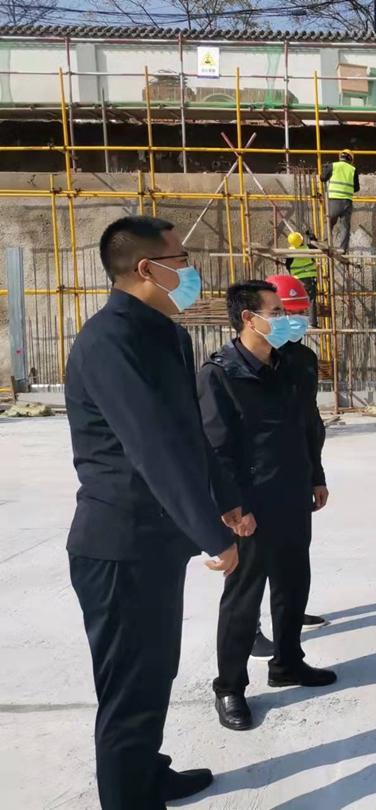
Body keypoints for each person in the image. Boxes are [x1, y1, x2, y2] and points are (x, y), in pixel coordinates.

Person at [65, 215, 245, 810]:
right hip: (119, 547)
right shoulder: (108, 342)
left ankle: (147, 775)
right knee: (128, 693)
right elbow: (152, 447)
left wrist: (226, 500)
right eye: (182, 259)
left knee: (154, 673)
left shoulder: (166, 335)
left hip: (156, 543)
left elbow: (189, 432)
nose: (192, 271)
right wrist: (210, 533)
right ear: (147, 269)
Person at [197, 281, 336, 732]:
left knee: (294, 583)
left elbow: (307, 426)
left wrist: (316, 474)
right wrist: (234, 507)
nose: (285, 319)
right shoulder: (220, 374)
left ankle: (288, 663)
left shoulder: (290, 365)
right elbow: (216, 450)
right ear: (248, 319)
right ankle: (230, 687)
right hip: (250, 505)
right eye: (276, 312)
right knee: (243, 598)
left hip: (292, 493)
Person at [250, 274, 330, 661]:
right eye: (286, 312)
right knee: (253, 564)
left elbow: (309, 421)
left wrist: (317, 474)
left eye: (300, 312)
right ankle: (249, 627)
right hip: (256, 482)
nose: (295, 320)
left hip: (295, 475)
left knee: (293, 558)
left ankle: (289, 615)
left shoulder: (304, 359)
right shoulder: (243, 361)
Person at [321, 150, 359, 252]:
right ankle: (343, 248)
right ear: (351, 159)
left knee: (329, 222)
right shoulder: (353, 169)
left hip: (334, 200)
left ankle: (325, 243)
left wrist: (325, 171)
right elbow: (356, 188)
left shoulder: (333, 166)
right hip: (347, 201)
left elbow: (323, 178)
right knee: (345, 226)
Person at [285, 231, 319, 319]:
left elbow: (288, 266)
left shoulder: (289, 252)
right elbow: (317, 246)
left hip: (297, 280)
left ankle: (297, 319)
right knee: (311, 300)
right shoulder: (307, 247)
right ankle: (312, 322)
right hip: (309, 277)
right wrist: (312, 237)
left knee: (297, 300)